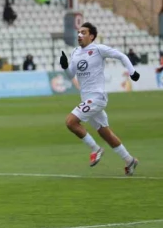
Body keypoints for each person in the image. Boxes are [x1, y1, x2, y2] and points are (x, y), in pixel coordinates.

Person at [59, 22, 139, 174]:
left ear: (92, 36)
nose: (79, 35)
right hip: (87, 99)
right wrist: (64, 67)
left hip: (97, 97)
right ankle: (130, 161)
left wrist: (132, 72)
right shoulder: (75, 52)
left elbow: (121, 55)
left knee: (70, 122)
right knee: (105, 133)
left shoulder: (98, 49)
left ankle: (95, 149)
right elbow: (71, 75)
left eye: (84, 32)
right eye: (79, 32)